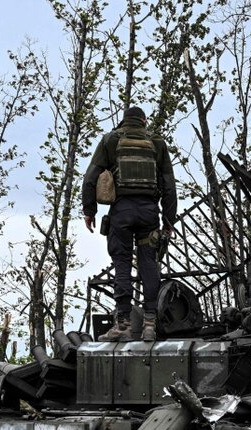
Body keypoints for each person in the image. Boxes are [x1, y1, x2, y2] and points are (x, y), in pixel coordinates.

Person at [82, 105, 177, 342]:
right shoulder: (157, 143)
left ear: (124, 122)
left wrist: (89, 210)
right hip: (148, 213)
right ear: (144, 122)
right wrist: (168, 220)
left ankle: (122, 326)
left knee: (122, 262)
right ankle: (149, 324)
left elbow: (90, 178)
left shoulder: (111, 140)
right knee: (148, 264)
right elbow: (169, 185)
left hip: (121, 213)